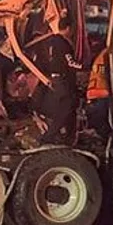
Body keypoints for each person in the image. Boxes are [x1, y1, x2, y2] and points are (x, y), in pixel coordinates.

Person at [26, 15, 82, 145]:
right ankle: (49, 137)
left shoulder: (49, 42)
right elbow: (70, 62)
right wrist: (86, 66)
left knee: (67, 109)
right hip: (62, 81)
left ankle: (66, 137)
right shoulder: (62, 43)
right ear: (69, 28)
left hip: (53, 79)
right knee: (66, 108)